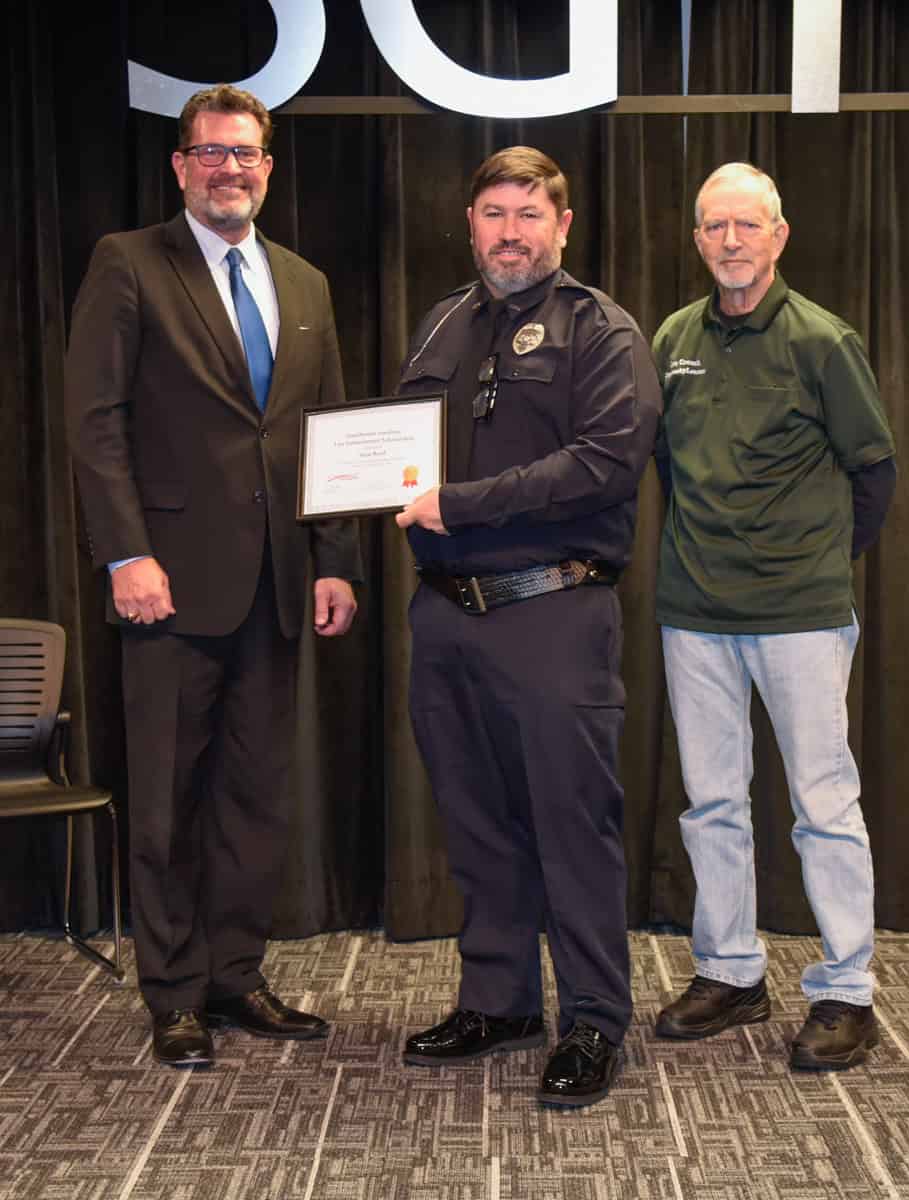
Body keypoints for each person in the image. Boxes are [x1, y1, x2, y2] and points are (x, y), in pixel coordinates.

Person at [65, 84, 361, 1067]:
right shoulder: (129, 263)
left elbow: (324, 434)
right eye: (211, 153)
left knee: (255, 798)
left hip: (278, 585)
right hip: (168, 584)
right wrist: (125, 553)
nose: (229, 170)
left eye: (245, 154)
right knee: (165, 801)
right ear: (182, 165)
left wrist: (334, 562)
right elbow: (95, 422)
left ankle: (236, 976)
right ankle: (174, 993)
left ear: (267, 168)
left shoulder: (305, 284)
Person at [393, 146, 661, 1107]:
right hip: (447, 615)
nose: (510, 233)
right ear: (470, 222)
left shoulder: (603, 330)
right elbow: (396, 451)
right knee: (477, 822)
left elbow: (606, 462)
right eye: (494, 214)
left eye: (529, 215)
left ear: (562, 225)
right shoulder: (442, 323)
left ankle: (593, 1019)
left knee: (571, 826)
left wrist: (462, 504)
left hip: (554, 610)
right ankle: (499, 1001)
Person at [652, 162, 896, 1070]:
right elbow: (666, 466)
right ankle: (730, 971)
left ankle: (846, 990)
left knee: (823, 804)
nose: (730, 241)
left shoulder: (824, 341)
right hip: (694, 611)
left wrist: (814, 562)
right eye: (715, 226)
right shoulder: (674, 338)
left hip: (799, 614)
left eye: (747, 225)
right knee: (712, 803)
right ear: (697, 240)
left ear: (779, 236)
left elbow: (873, 474)